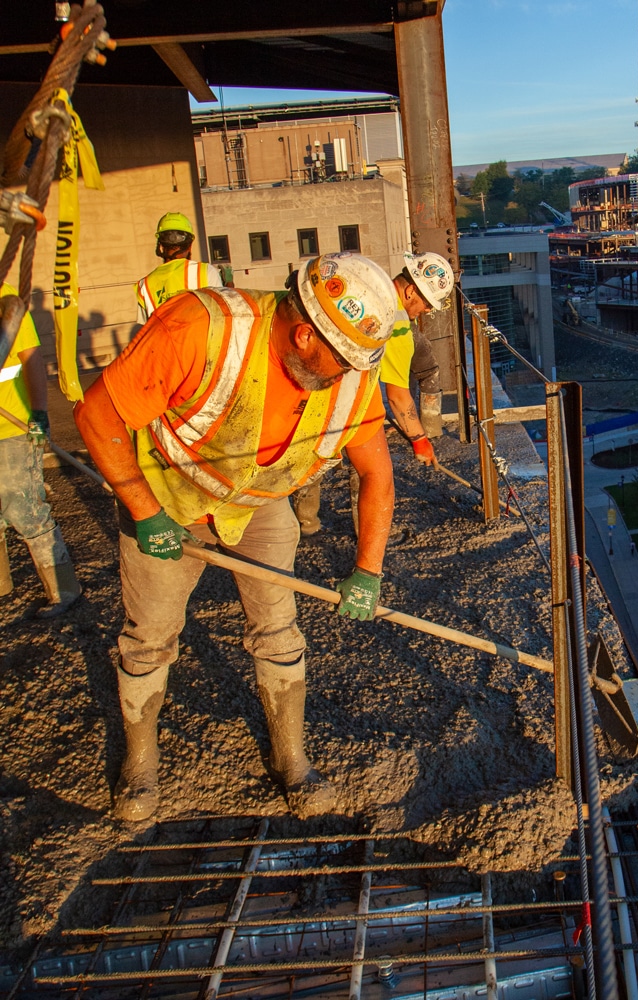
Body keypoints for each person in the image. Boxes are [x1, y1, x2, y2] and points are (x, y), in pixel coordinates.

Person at [75, 252, 398, 823]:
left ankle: (292, 761)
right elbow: (97, 416)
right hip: (168, 500)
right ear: (303, 335)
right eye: (340, 363)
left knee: (279, 629)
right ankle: (141, 767)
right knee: (149, 636)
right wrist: (145, 513)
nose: (346, 376)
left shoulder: (353, 377)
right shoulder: (199, 330)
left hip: (257, 507)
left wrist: (369, 568)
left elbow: (375, 473)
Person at [293, 251, 455, 536]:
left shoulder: (365, 285)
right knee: (368, 469)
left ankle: (306, 524)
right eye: (427, 304)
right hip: (343, 397)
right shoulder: (399, 324)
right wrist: (419, 440)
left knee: (311, 455)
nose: (427, 311)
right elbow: (398, 397)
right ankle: (365, 533)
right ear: (410, 290)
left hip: (308, 380)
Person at [0, 284, 81, 617]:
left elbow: (30, 360)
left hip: (11, 428)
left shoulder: (6, 300)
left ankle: (64, 591)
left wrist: (39, 413)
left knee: (25, 510)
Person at [134, 212, 233, 324]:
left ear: (160, 246)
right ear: (190, 245)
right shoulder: (206, 272)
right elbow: (226, 313)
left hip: (164, 341)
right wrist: (229, 284)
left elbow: (146, 329)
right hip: (200, 341)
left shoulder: (145, 285)